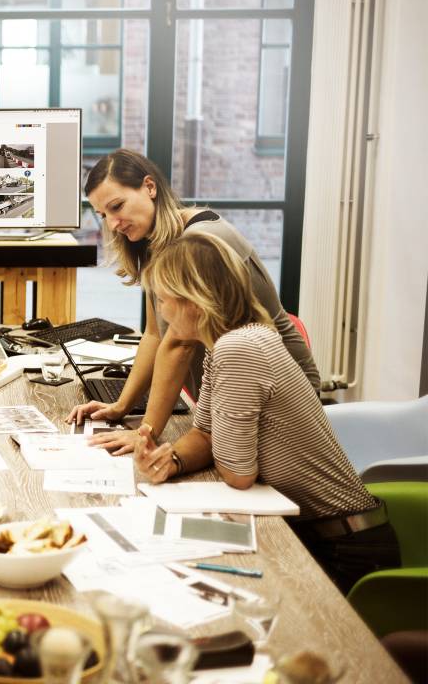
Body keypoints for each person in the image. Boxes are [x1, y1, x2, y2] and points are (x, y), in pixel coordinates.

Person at [132, 231, 400, 594]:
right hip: (327, 532)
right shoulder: (230, 342)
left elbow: (239, 472)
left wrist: (212, 447)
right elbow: (206, 435)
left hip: (343, 549)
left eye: (163, 300)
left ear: (195, 302)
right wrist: (173, 459)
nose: (161, 312)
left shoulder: (238, 349)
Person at [67, 149, 319, 454]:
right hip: (231, 396)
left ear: (150, 187)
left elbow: (179, 344)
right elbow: (155, 334)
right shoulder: (156, 242)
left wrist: (145, 433)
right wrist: (121, 406)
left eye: (117, 206)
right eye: (103, 215)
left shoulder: (199, 241)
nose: (112, 224)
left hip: (280, 401)